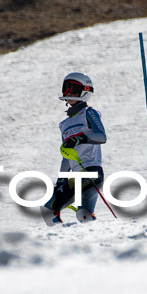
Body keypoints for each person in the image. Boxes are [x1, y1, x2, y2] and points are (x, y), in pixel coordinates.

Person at [41, 72, 107, 225]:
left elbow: (102, 137)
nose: (68, 93)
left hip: (91, 171)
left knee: (57, 210)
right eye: (66, 88)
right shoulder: (64, 124)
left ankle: (60, 239)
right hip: (78, 174)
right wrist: (61, 179)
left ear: (85, 90)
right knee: (74, 213)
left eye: (73, 89)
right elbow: (67, 156)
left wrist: (80, 138)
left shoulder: (89, 113)